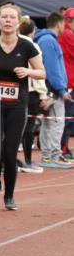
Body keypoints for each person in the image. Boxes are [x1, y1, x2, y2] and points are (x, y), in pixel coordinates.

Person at [0, 3, 46, 209]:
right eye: (4, 17)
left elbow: (42, 72)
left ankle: (9, 196)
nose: (7, 21)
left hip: (16, 105)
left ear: (18, 22)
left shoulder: (27, 46)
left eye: (11, 18)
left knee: (9, 152)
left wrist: (28, 72)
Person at [35, 12, 72, 168]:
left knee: (49, 123)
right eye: (64, 23)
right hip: (53, 90)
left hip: (48, 89)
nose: (65, 26)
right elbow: (52, 69)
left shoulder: (46, 40)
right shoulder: (49, 41)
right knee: (56, 123)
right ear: (59, 23)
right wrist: (61, 89)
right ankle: (53, 156)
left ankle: (48, 156)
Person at [16, 18, 47, 174]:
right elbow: (39, 71)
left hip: (16, 90)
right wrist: (43, 94)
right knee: (28, 127)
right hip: (31, 91)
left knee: (13, 127)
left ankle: (12, 160)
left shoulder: (14, 43)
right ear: (32, 31)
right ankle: (27, 160)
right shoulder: (33, 46)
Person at [57, 7, 74, 159]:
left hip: (69, 79)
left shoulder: (67, 33)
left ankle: (64, 148)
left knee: (68, 117)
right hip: (69, 81)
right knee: (67, 117)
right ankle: (63, 149)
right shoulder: (68, 34)